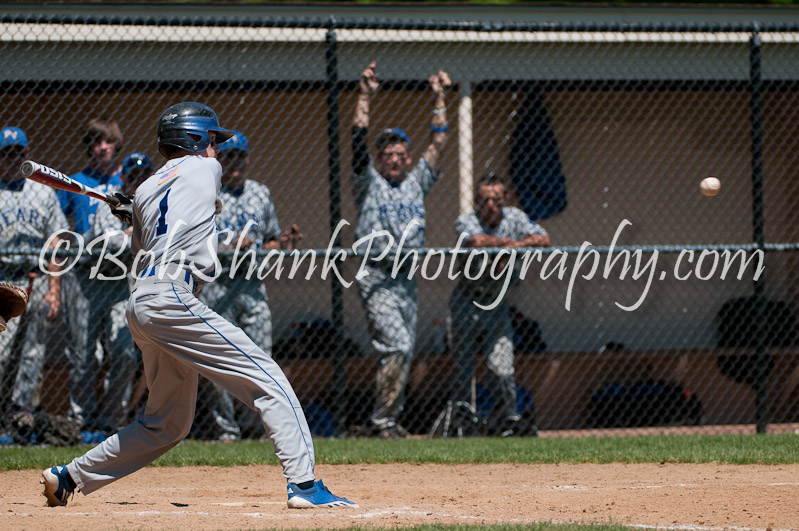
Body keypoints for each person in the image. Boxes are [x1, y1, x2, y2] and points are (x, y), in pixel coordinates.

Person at [41, 102, 357, 509]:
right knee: (270, 379)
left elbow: (150, 235)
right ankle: (305, 486)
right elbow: (200, 203)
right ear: (191, 140)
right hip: (171, 295)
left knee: (167, 424)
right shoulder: (203, 170)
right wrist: (135, 208)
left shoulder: (148, 188)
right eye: (211, 141)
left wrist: (135, 209)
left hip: (143, 302)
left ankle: (69, 476)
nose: (217, 151)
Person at [350, 61, 451, 439]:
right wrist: (364, 96)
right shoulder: (368, 183)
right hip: (376, 273)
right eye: (387, 153)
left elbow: (439, 141)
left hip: (407, 276)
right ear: (379, 160)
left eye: (399, 153)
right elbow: (358, 140)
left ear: (407, 158)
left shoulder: (416, 183)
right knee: (397, 345)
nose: (393, 158)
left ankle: (387, 419)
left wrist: (440, 96)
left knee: (402, 351)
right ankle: (383, 420)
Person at [197, 130, 302, 441]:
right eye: (228, 156)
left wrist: (280, 243)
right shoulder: (207, 191)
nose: (235, 163)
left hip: (252, 284)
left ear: (248, 158)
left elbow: (270, 237)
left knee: (261, 357)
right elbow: (193, 239)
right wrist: (228, 246)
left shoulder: (260, 193)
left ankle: (257, 427)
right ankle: (226, 430)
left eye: (240, 156)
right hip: (217, 284)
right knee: (220, 358)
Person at [448, 173, 550, 436]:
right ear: (476, 201)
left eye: (496, 199)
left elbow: (543, 238)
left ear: (505, 199)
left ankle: (508, 420)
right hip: (467, 300)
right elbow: (475, 241)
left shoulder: (515, 217)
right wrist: (505, 246)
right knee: (463, 368)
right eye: (484, 200)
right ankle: (463, 422)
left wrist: (514, 247)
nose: (491, 205)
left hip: (496, 304)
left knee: (502, 367)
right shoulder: (467, 219)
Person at [57, 118, 125, 435]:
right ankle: (81, 421)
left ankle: (113, 422)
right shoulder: (77, 182)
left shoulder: (130, 179)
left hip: (120, 276)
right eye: (95, 143)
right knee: (83, 355)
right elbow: (58, 223)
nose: (101, 148)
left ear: (115, 145)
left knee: (123, 350)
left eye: (107, 141)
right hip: (84, 274)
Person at [0, 126, 66, 418]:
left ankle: (21, 413)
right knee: (1, 352)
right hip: (3, 279)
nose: (12, 158)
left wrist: (54, 290)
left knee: (33, 351)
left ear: (27, 154)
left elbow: (57, 242)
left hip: (36, 278)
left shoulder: (43, 192)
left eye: (18, 152)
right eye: (6, 153)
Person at [90, 152, 154, 430]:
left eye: (144, 174)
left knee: (133, 354)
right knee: (94, 356)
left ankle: (122, 418)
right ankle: (96, 420)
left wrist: (133, 233)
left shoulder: (154, 204)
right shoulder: (108, 201)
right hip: (102, 287)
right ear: (123, 177)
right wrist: (134, 234)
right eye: (134, 175)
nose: (138, 180)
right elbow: (108, 244)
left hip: (138, 288)